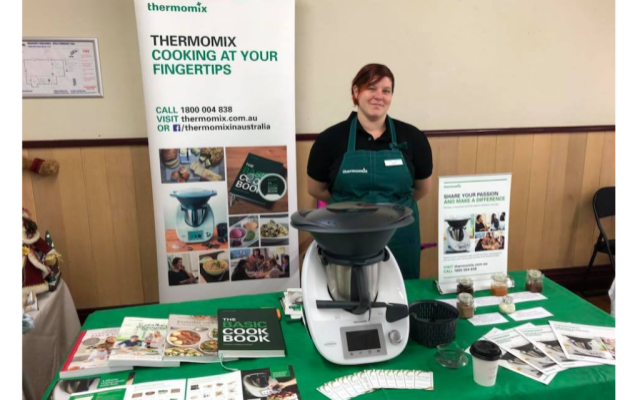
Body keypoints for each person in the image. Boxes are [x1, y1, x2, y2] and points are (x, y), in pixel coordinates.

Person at [306, 64, 433, 279]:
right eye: (371, 88)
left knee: (401, 293)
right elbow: (315, 188)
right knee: (349, 292)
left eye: (386, 90)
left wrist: (393, 207)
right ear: (356, 92)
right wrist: (347, 205)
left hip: (400, 238)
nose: (379, 96)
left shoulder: (413, 138)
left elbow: (422, 188)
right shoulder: (330, 139)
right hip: (348, 237)